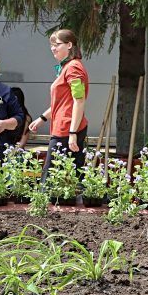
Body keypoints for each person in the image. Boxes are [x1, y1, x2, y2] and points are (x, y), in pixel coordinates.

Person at [29, 29, 89, 184]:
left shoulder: (73, 68)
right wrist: (42, 118)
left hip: (66, 129)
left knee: (49, 178)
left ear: (69, 45)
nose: (52, 48)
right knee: (75, 177)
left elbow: (79, 100)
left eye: (57, 44)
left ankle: (42, 205)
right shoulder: (67, 67)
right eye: (51, 45)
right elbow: (61, 102)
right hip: (64, 128)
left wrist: (73, 133)